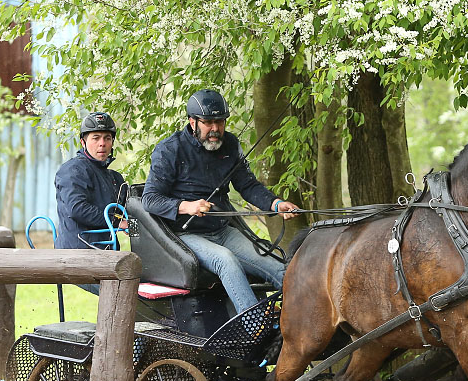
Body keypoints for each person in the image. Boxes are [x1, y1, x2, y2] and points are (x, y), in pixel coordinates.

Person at [142, 89, 298, 317]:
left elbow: (248, 185)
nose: (215, 129)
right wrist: (187, 206)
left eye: (220, 122)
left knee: (276, 264)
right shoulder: (169, 150)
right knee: (226, 261)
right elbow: (150, 199)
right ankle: (253, 325)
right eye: (208, 122)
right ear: (192, 122)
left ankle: (302, 319)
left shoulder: (230, 145)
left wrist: (275, 204)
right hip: (185, 236)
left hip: (222, 232)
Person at [54, 111, 127, 251]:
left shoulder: (115, 178)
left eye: (107, 138)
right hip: (77, 254)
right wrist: (117, 222)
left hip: (106, 252)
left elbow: (130, 209)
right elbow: (77, 209)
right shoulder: (72, 170)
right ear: (83, 142)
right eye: (96, 138)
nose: (102, 144)